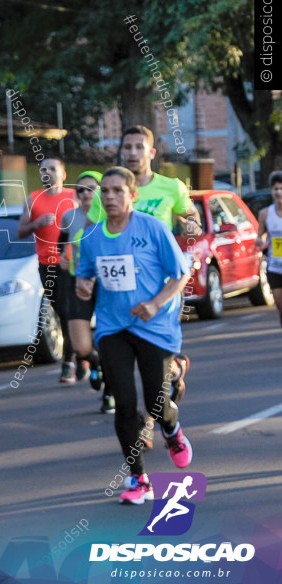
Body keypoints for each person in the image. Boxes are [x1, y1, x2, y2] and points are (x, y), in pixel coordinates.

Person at [76, 167, 193, 505]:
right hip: (114, 328)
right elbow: (85, 276)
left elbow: (180, 274)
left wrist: (155, 304)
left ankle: (171, 429)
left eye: (117, 191)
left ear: (132, 195)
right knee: (125, 403)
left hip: (154, 327)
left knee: (157, 400)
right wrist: (84, 286)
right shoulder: (93, 236)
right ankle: (138, 477)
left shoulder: (152, 228)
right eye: (105, 192)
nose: (109, 197)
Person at [87, 126, 200, 420]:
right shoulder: (110, 191)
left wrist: (191, 228)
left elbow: (191, 217)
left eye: (139, 147)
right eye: (128, 147)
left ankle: (153, 418)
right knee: (136, 371)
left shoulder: (171, 187)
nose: (133, 153)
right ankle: (172, 373)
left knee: (153, 377)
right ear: (121, 151)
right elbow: (91, 234)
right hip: (120, 294)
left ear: (151, 152)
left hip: (161, 289)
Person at [16, 157, 77, 382]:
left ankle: (69, 363)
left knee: (72, 313)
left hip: (73, 264)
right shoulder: (32, 199)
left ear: (63, 174)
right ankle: (82, 355)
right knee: (62, 313)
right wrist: (37, 223)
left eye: (52, 169)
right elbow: (20, 232)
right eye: (43, 169)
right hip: (47, 265)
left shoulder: (74, 197)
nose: (47, 172)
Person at [59, 171, 110, 400]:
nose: (86, 193)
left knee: (108, 335)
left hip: (106, 281)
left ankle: (111, 390)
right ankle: (96, 364)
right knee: (80, 344)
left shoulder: (109, 215)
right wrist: (62, 256)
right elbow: (62, 242)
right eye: (81, 189)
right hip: (77, 280)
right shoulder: (69, 216)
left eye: (92, 188)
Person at [255, 170, 282, 328]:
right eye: (275, 189)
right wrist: (260, 242)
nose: (278, 192)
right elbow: (259, 236)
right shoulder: (265, 213)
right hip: (275, 267)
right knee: (279, 304)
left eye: (281, 188)